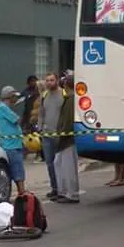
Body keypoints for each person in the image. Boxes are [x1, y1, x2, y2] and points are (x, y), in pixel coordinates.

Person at [38, 72, 66, 200]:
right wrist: (40, 128)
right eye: (47, 80)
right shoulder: (44, 95)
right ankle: (54, 188)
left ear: (57, 81)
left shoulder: (63, 94)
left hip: (60, 134)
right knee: (50, 163)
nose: (49, 83)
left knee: (60, 163)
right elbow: (41, 113)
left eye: (52, 80)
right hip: (47, 134)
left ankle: (62, 188)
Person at [54, 71, 80, 203]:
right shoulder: (69, 98)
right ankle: (63, 191)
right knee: (59, 163)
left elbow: (68, 120)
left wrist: (62, 133)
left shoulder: (70, 100)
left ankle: (72, 193)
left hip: (67, 138)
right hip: (65, 138)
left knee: (68, 166)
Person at [0, 85, 26, 197]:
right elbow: (17, 120)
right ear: (9, 96)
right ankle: (22, 193)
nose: (16, 99)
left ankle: (20, 192)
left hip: (14, 144)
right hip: (11, 146)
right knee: (18, 170)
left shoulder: (4, 108)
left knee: (17, 169)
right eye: (14, 96)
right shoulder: (3, 108)